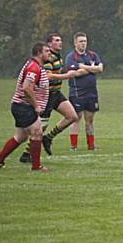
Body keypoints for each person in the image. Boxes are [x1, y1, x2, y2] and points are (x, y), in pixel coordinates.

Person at [0, 42, 69, 171]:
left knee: (20, 137)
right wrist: (36, 105)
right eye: (47, 51)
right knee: (37, 132)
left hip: (21, 106)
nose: (49, 53)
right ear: (39, 53)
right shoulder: (33, 67)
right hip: (23, 106)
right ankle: (36, 166)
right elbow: (26, 87)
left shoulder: (37, 66)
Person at [19, 33, 78, 162]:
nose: (60, 42)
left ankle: (48, 138)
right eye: (57, 40)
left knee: (72, 116)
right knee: (40, 128)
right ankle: (26, 154)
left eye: (61, 40)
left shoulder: (58, 56)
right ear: (50, 44)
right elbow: (48, 75)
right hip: (47, 95)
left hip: (57, 93)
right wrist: (67, 76)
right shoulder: (48, 57)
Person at [66, 32, 104, 151]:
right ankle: (73, 146)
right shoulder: (71, 57)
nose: (83, 43)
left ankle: (91, 146)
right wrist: (93, 68)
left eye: (85, 41)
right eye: (81, 41)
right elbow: (76, 73)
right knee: (76, 118)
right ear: (75, 43)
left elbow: (100, 68)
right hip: (77, 93)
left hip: (92, 93)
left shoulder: (92, 55)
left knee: (90, 120)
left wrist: (84, 66)